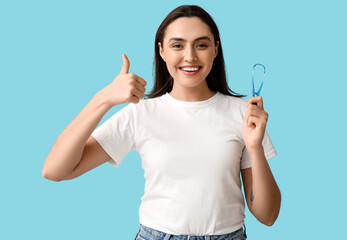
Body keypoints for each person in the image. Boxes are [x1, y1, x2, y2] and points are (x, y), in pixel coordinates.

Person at [42, 4, 281, 240]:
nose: (190, 56)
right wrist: (103, 99)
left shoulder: (244, 115)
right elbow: (55, 170)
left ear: (215, 50)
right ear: (162, 51)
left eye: (201, 45)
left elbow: (267, 216)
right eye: (177, 45)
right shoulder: (140, 114)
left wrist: (255, 147)